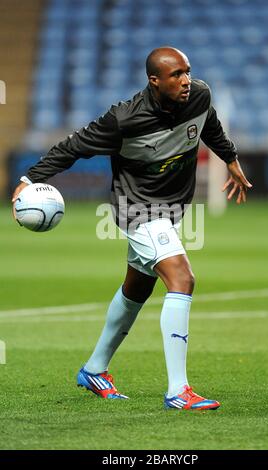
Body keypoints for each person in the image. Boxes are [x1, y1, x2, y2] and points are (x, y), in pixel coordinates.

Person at [12, 47, 252, 410]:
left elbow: (210, 125)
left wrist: (231, 159)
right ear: (154, 80)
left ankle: (94, 369)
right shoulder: (123, 120)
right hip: (136, 208)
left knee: (136, 290)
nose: (186, 81)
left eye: (187, 72)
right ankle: (178, 390)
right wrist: (28, 179)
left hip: (171, 209)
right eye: (176, 75)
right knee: (182, 278)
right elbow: (72, 147)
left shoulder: (199, 95)